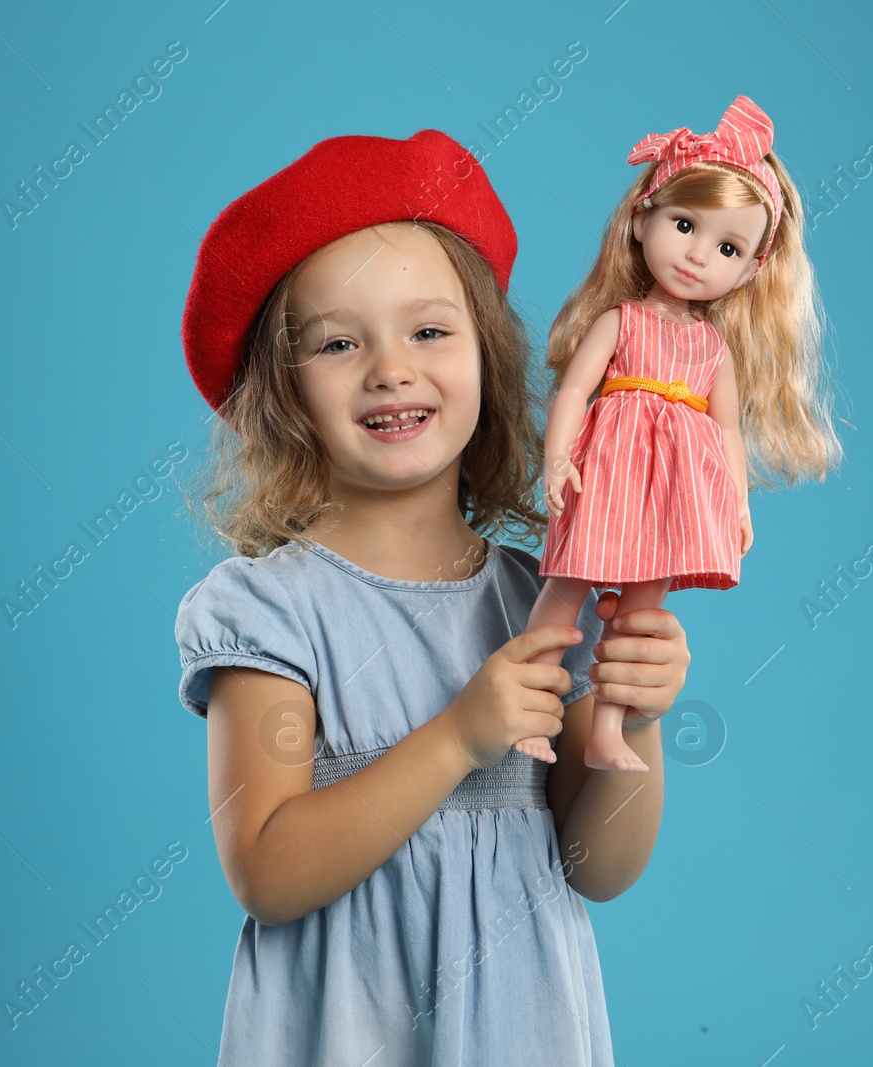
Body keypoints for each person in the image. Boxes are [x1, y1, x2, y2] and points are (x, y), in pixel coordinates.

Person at [172, 127, 692, 1065]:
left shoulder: (544, 603)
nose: (391, 368)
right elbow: (269, 871)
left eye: (428, 330)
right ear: (283, 395)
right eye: (338, 342)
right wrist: (460, 734)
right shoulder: (269, 614)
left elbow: (599, 868)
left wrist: (637, 718)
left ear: (487, 357)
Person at [519, 95, 844, 772]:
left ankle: (609, 727)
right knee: (567, 583)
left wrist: (738, 501)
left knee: (640, 613)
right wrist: (557, 459)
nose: (699, 255)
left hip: (670, 493)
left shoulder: (712, 349)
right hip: (606, 474)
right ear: (642, 219)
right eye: (685, 225)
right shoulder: (623, 321)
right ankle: (529, 710)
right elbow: (576, 390)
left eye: (727, 246)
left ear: (751, 268)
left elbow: (725, 427)